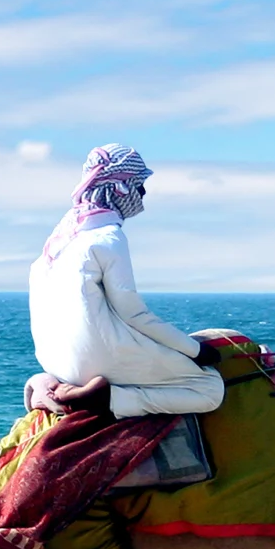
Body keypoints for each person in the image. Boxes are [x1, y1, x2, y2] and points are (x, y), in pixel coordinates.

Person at [26, 144, 225, 419]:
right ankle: (110, 399)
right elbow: (134, 314)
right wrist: (195, 350)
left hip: (56, 363)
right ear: (120, 187)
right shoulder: (107, 237)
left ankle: (44, 384)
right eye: (139, 186)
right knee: (210, 388)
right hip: (98, 362)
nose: (142, 196)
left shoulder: (55, 245)